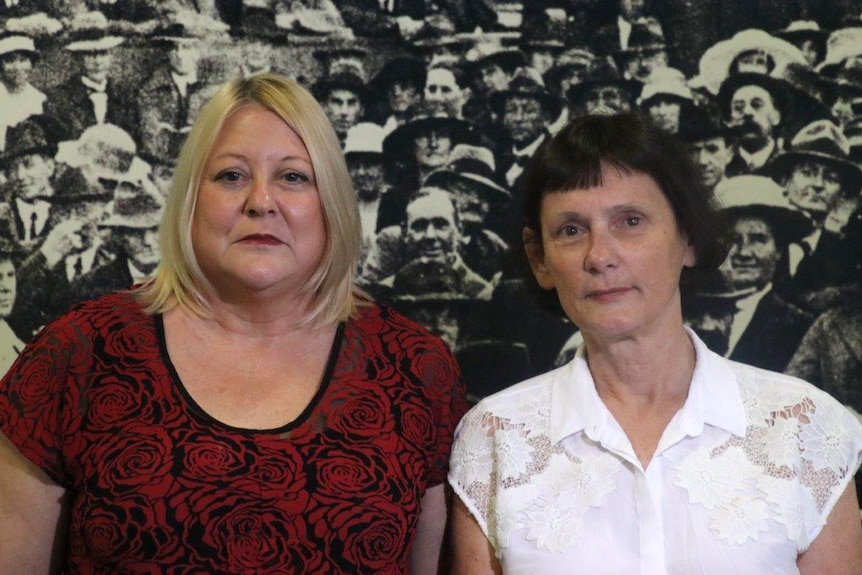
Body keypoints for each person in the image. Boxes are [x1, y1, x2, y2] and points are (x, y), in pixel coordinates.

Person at [0, 72, 467, 573]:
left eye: (293, 177)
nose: (261, 201)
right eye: (231, 176)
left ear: (330, 201)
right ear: (189, 199)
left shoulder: (416, 369)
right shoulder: (78, 353)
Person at [447, 112, 862, 573]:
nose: (600, 256)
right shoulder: (494, 437)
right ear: (539, 260)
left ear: (687, 238)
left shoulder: (805, 429)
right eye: (570, 230)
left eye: (630, 221)